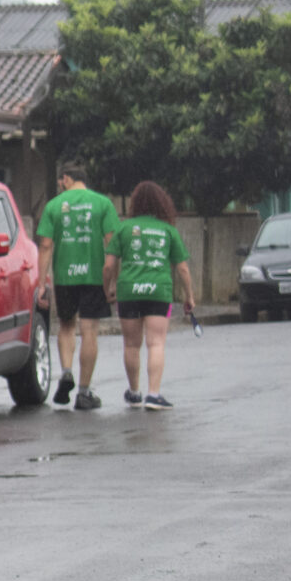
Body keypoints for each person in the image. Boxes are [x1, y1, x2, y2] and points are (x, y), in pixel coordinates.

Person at [34, 163, 119, 411]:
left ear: (68, 179)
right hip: (94, 276)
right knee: (89, 330)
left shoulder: (53, 206)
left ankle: (67, 372)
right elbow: (112, 244)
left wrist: (42, 284)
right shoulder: (103, 204)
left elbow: (46, 246)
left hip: (64, 277)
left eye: (61, 182)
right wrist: (112, 281)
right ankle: (83, 392)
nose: (60, 186)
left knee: (66, 326)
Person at [103, 181, 195, 410]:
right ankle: (153, 395)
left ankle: (134, 393)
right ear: (161, 203)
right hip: (158, 292)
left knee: (131, 345)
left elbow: (108, 265)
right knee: (156, 344)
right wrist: (189, 296)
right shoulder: (168, 230)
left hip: (128, 292)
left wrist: (108, 288)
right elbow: (182, 268)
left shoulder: (124, 229)